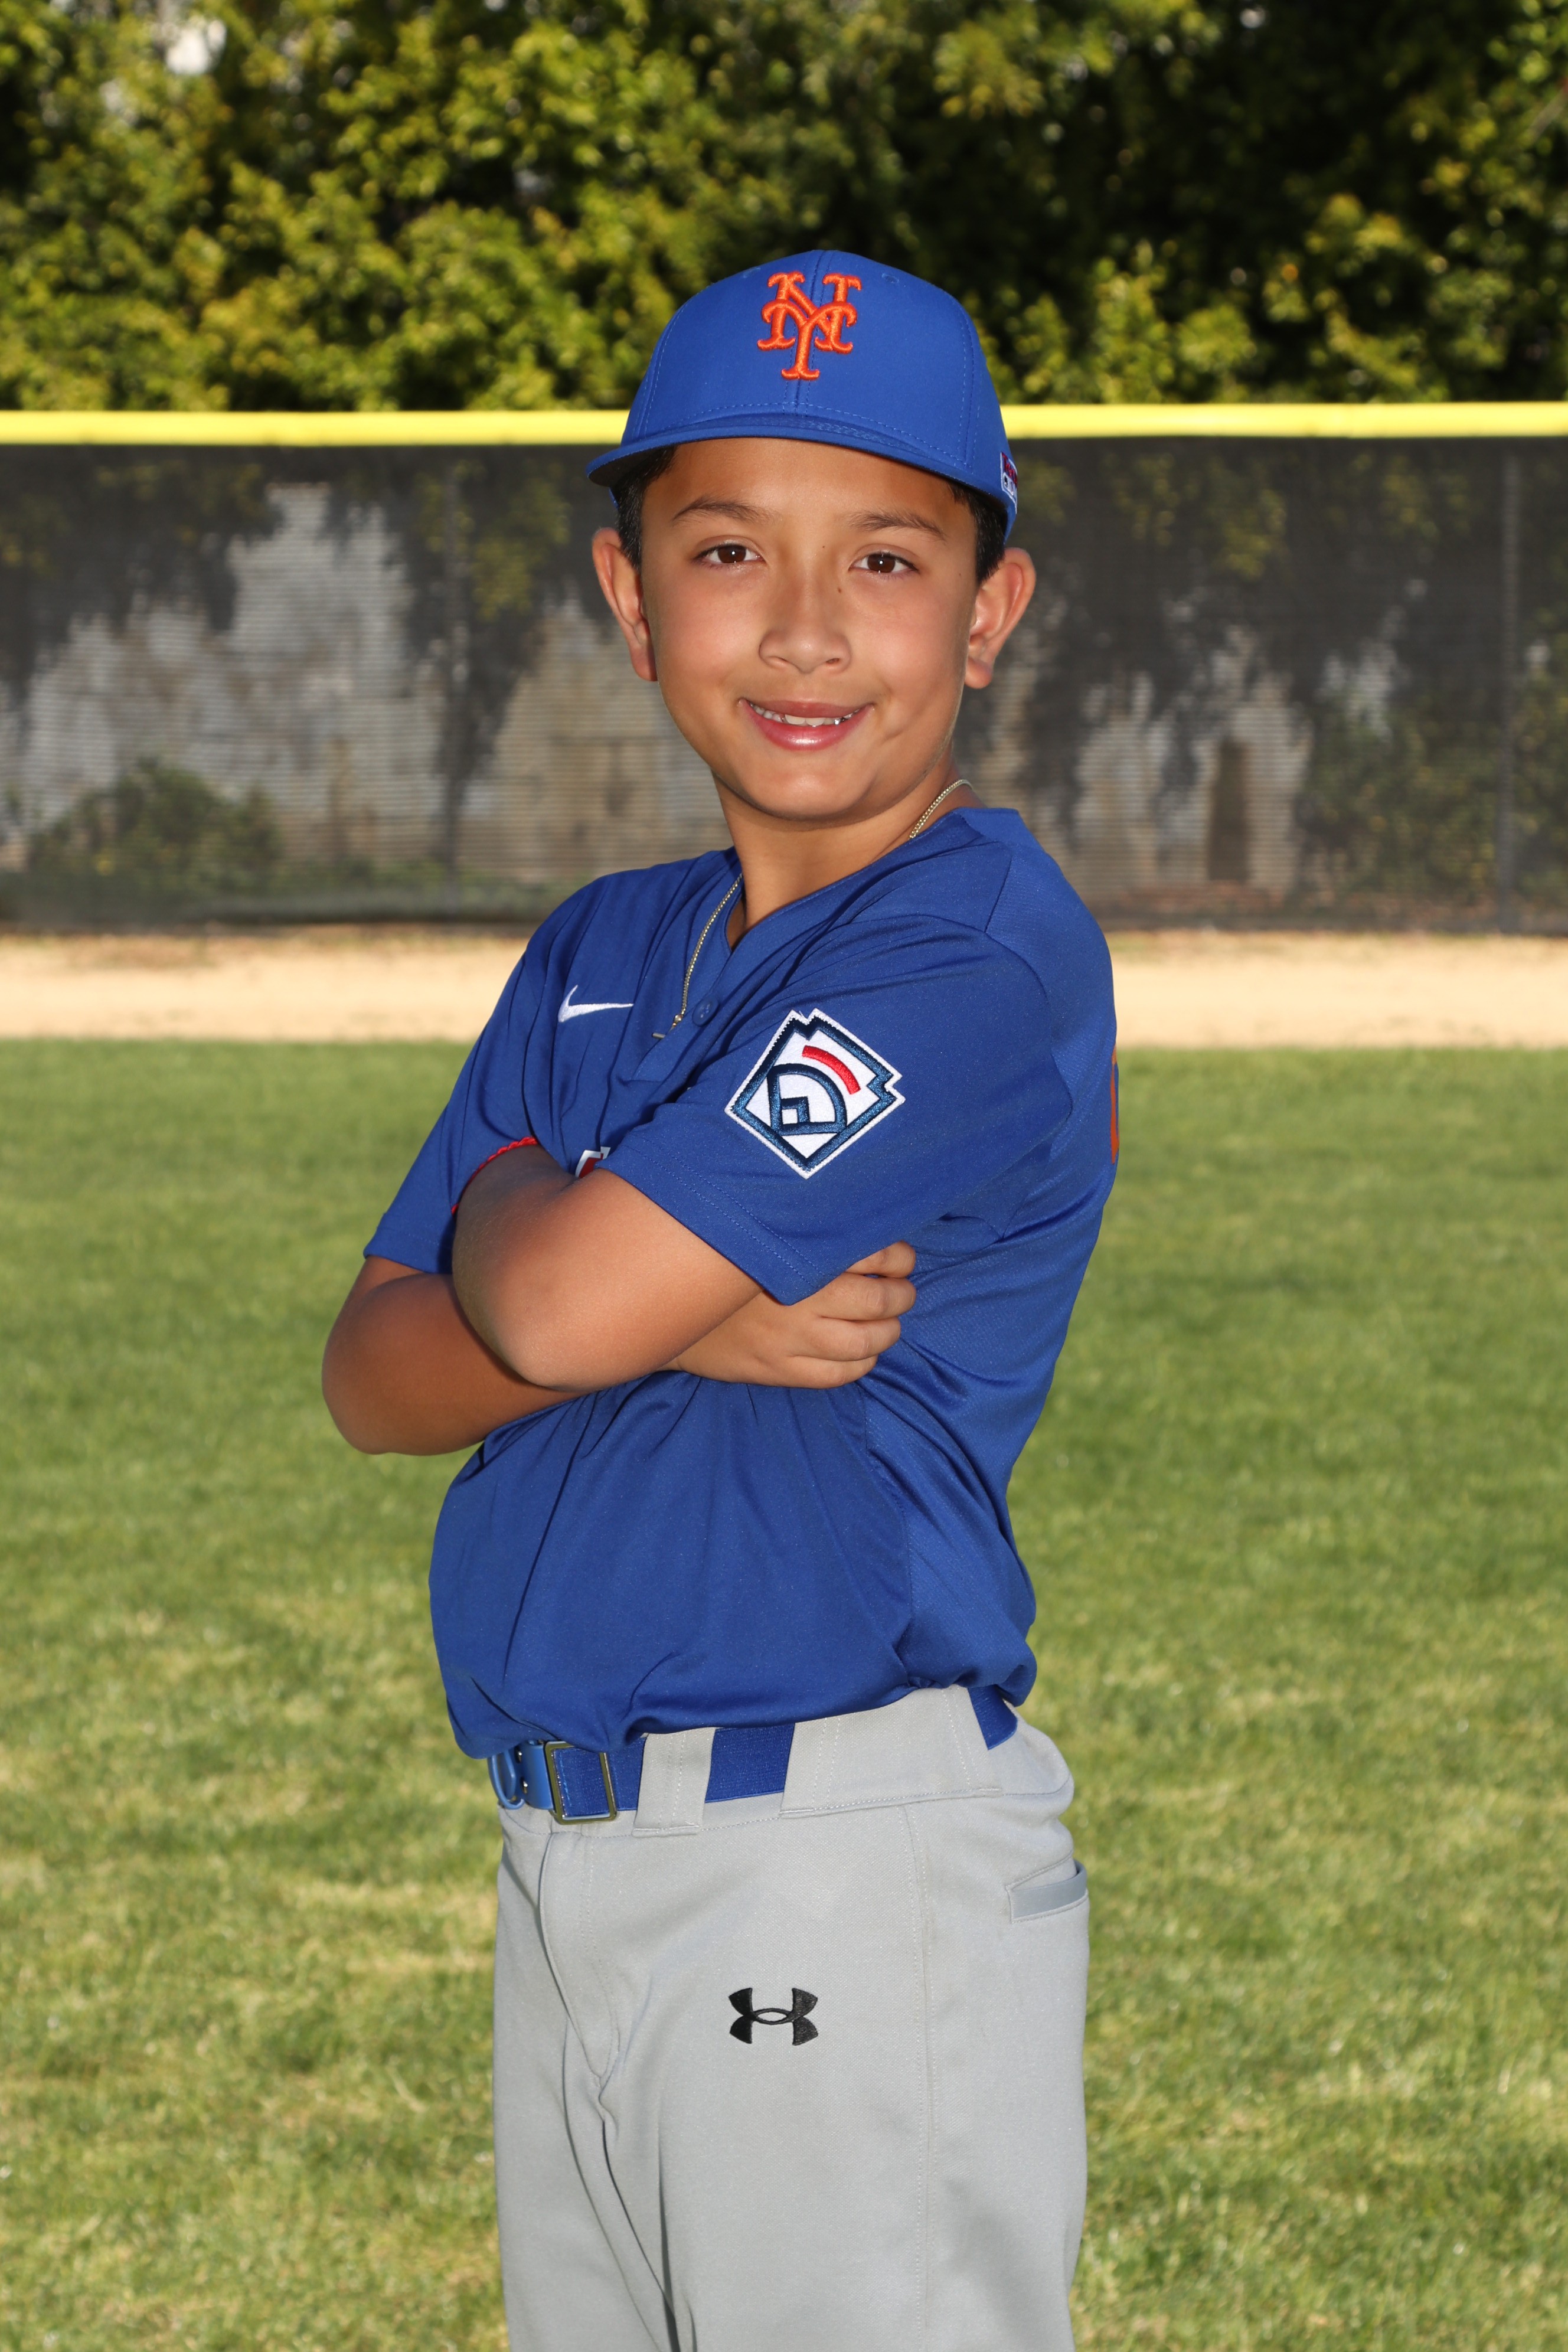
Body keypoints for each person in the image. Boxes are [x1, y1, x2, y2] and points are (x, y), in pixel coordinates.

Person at [322, 249, 1118, 2352]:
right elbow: (372, 1376)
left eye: (888, 559)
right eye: (730, 548)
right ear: (631, 591)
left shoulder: (971, 943)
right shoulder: (603, 942)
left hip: (831, 1853)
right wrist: (644, 1293)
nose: (805, 627)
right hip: (568, 1856)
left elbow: (538, 1309)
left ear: (990, 611)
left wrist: (533, 1218)